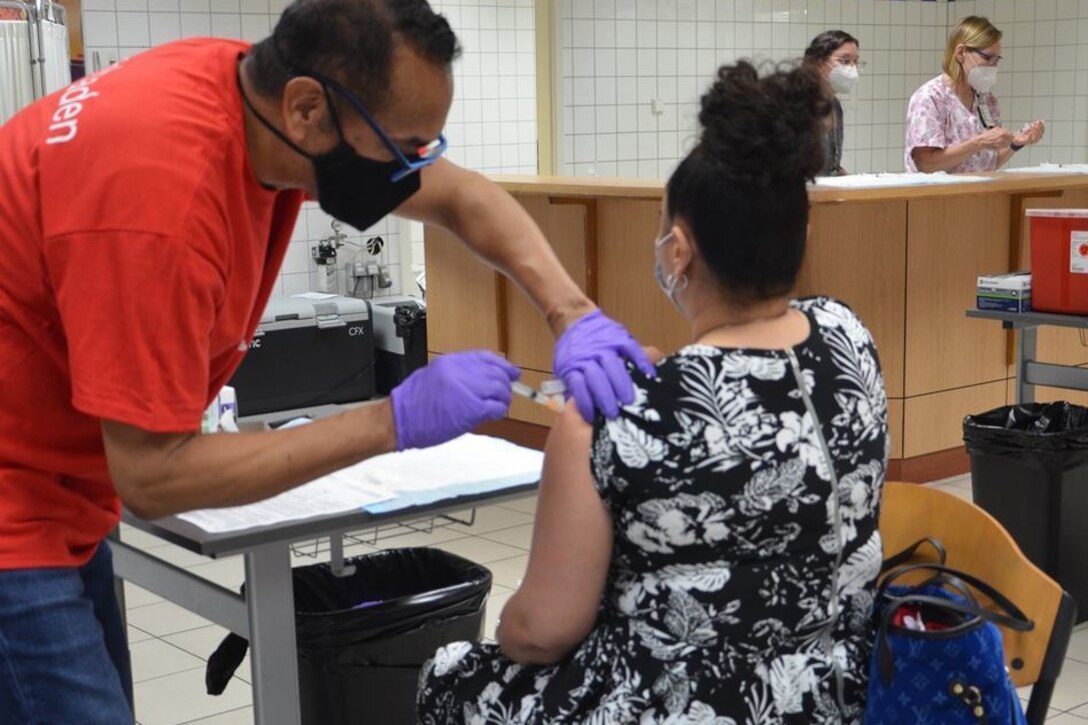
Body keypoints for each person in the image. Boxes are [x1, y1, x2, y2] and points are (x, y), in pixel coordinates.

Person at [0, 0, 651, 721]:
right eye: (404, 145)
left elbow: (461, 197)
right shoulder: (159, 206)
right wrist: (392, 418)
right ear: (307, 108)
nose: (415, 169)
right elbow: (153, 476)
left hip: (62, 487)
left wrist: (574, 314)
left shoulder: (246, 93)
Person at [418, 60, 890, 724]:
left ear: (678, 252)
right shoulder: (850, 338)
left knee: (450, 676)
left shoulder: (611, 414)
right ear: (801, 235)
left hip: (683, 706)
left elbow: (540, 630)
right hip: (845, 692)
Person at [905, 15, 1044, 173]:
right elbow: (925, 164)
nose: (992, 66)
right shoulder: (931, 98)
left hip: (977, 194)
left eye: (996, 60)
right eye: (987, 58)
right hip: (937, 196)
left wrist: (1017, 143)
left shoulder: (986, 100)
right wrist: (978, 143)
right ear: (961, 53)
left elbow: (988, 163)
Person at [804, 29, 862, 177]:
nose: (852, 69)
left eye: (855, 62)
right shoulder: (798, 105)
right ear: (819, 62)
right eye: (844, 61)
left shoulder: (835, 105)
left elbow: (830, 164)